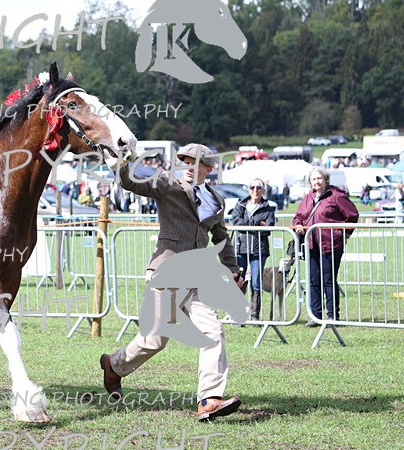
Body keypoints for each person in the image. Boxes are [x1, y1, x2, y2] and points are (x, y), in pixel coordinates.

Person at [100, 143, 245, 422]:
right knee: (154, 341)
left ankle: (209, 399)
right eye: (185, 161)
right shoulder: (167, 185)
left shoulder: (217, 199)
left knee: (213, 332)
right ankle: (113, 365)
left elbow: (221, 238)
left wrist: (233, 271)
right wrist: (119, 165)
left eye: (196, 163)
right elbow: (132, 182)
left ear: (208, 169)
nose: (189, 167)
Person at [293, 167, 359, 326]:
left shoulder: (336, 196)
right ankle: (316, 316)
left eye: (319, 178)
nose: (316, 182)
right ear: (310, 182)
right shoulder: (308, 198)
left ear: (326, 179)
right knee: (313, 280)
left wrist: (342, 234)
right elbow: (298, 217)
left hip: (331, 244)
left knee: (328, 280)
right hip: (311, 244)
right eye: (313, 179)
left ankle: (332, 316)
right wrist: (299, 226)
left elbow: (352, 215)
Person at [230, 178, 276, 321]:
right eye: (252, 187)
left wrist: (249, 226)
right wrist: (257, 223)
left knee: (256, 281)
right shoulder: (240, 204)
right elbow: (235, 221)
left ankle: (254, 315)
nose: (255, 190)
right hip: (241, 247)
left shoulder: (268, 208)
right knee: (239, 280)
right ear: (248, 189)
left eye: (258, 187)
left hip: (259, 249)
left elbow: (268, 229)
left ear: (263, 190)